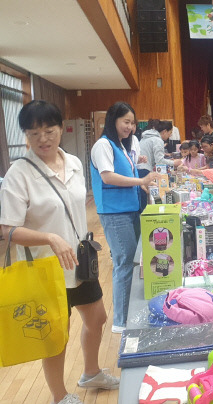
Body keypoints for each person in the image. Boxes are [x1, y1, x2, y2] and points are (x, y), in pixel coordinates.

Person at [0, 100, 119, 404]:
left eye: (49, 129)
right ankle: (58, 396)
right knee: (56, 335)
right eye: (34, 132)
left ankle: (90, 372)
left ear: (60, 128)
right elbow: (6, 230)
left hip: (79, 261)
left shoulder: (75, 163)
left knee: (98, 319)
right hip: (45, 269)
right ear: (26, 135)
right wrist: (50, 237)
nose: (43, 138)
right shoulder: (19, 174)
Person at [90, 102, 160, 333]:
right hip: (113, 213)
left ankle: (130, 313)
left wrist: (142, 186)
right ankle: (121, 321)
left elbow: (128, 173)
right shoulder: (103, 145)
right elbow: (108, 177)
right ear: (113, 121)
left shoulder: (122, 146)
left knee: (134, 260)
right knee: (123, 264)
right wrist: (140, 181)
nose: (130, 127)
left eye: (132, 122)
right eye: (125, 122)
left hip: (130, 209)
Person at [138, 120, 182, 212]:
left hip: (139, 170)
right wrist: (174, 163)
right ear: (165, 131)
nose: (170, 136)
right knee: (144, 200)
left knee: (141, 199)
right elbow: (159, 161)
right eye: (170, 133)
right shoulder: (157, 140)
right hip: (145, 171)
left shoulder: (145, 138)